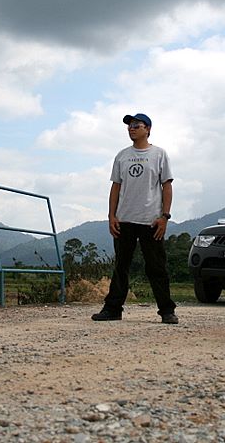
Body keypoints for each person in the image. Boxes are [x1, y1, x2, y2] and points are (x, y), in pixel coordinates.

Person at [92, 113, 178, 324]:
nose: (131, 128)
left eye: (136, 125)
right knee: (121, 266)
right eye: (130, 125)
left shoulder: (159, 154)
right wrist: (112, 216)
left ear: (147, 129)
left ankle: (167, 311)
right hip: (124, 220)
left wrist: (165, 217)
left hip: (151, 220)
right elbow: (116, 187)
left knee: (156, 267)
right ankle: (113, 309)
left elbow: (166, 186)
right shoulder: (122, 156)